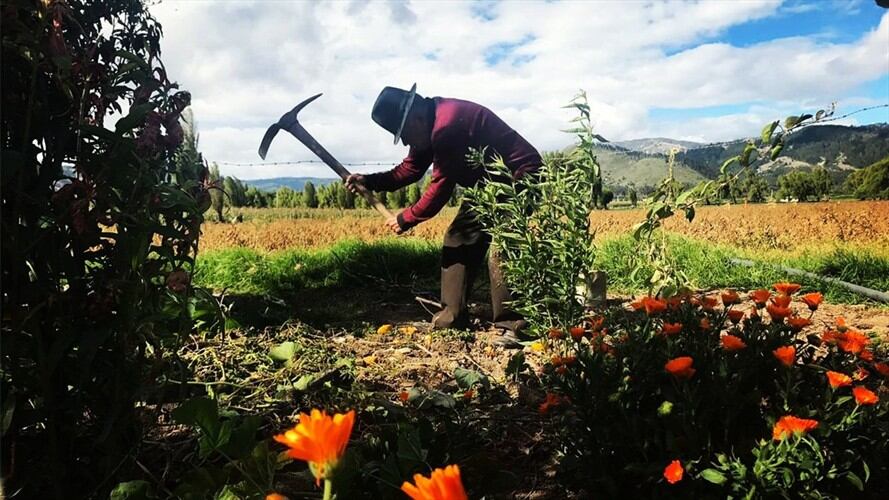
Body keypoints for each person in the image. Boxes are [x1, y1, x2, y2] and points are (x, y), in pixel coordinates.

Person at [345, 84, 541, 340]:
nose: (404, 141)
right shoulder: (427, 123)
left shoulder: (447, 126)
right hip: (489, 185)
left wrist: (406, 218)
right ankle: (452, 318)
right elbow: (410, 169)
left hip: (520, 177)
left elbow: (440, 187)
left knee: (504, 244)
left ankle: (514, 326)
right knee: (459, 237)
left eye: (403, 134)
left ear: (414, 118)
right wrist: (369, 181)